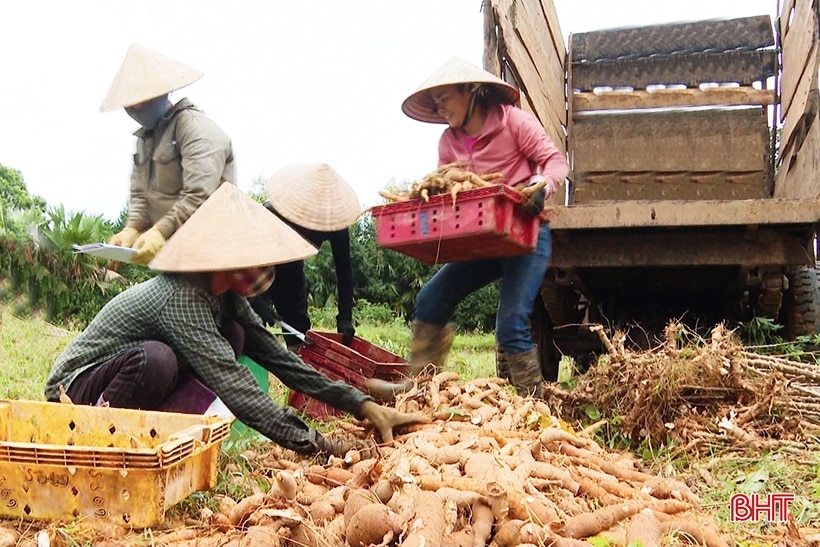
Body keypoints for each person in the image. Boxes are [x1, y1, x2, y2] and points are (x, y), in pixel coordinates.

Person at [44, 184, 428, 456]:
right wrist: (319, 445)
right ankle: (96, 443)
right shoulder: (182, 297)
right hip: (76, 389)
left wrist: (360, 403)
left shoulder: (225, 296)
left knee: (233, 334)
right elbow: (238, 389)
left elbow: (284, 363)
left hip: (129, 373)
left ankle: (160, 442)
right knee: (158, 359)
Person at [367, 57, 569, 400]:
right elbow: (447, 189)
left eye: (445, 98)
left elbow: (556, 162)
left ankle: (532, 406)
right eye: (436, 102)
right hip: (483, 240)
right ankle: (416, 389)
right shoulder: (448, 142)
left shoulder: (516, 123)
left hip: (526, 237)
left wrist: (542, 185)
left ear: (471, 90)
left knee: (511, 326)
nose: (440, 107)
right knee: (430, 298)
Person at [102, 43, 235, 266]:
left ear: (163, 92)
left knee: (125, 304)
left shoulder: (196, 128)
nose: (135, 108)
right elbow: (141, 197)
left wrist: (159, 232)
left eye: (142, 100)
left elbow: (200, 194)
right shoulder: (145, 140)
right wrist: (131, 230)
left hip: (214, 255)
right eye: (130, 103)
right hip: (177, 258)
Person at [249, 163, 361, 349]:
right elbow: (253, 256)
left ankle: (299, 371)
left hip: (292, 269)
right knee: (252, 325)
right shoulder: (272, 212)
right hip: (260, 265)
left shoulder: (336, 222)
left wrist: (345, 317)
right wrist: (259, 299)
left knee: (298, 332)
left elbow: (344, 271)